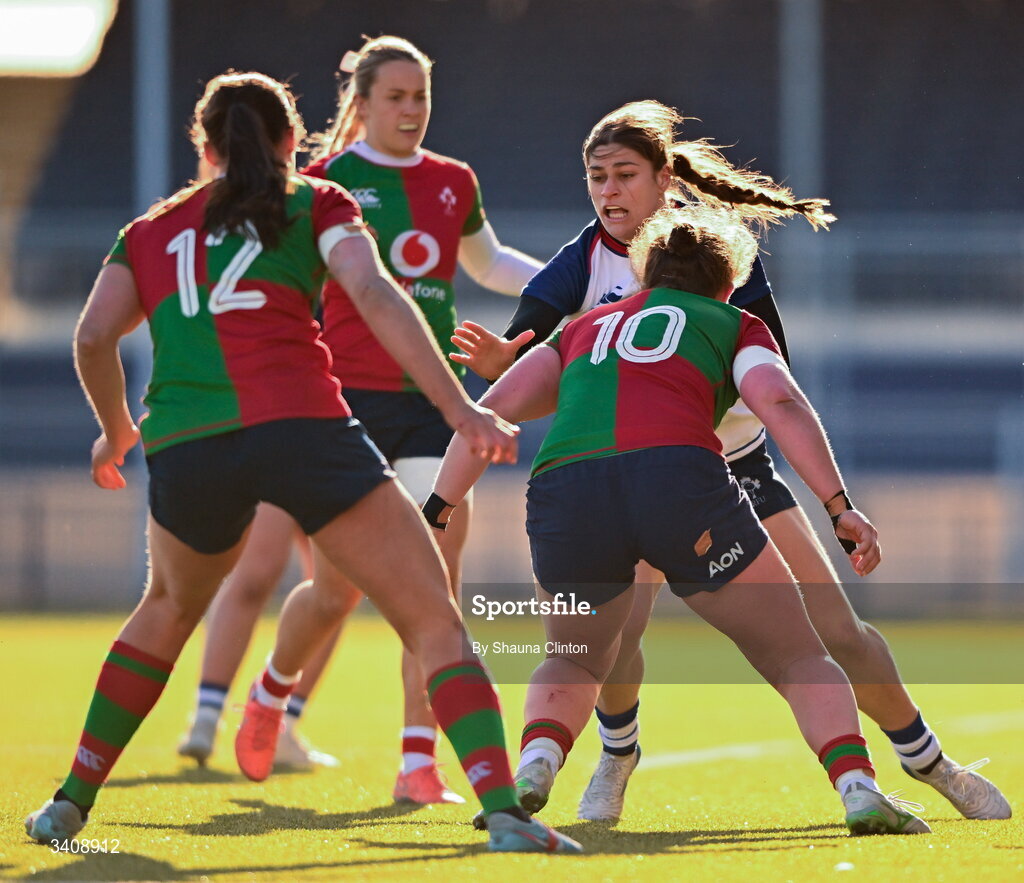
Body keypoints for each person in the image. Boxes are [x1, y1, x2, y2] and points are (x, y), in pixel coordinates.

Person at [24, 71, 580, 855]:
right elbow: (374, 293)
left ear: (204, 145)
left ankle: (70, 801)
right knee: (431, 614)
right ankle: (505, 813)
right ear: (293, 140)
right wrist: (461, 407)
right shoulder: (316, 201)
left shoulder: (149, 231)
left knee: (168, 607)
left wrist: (116, 431)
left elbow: (92, 337)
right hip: (303, 428)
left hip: (188, 441)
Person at [451, 101, 1011, 824]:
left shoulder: (711, 254)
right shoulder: (579, 260)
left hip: (726, 465)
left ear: (664, 180)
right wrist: (507, 357)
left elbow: (769, 372)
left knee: (837, 631)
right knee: (612, 636)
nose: (609, 192)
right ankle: (617, 758)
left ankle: (932, 764)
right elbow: (523, 356)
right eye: (597, 177)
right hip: (646, 468)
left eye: (625, 175)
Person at [180, 35, 545, 804]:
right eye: (396, 97)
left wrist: (574, 288)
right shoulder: (325, 183)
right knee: (336, 590)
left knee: (436, 583)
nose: (411, 110)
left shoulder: (454, 181)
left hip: (433, 402)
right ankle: (271, 690)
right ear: (364, 102)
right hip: (346, 402)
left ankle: (418, 762)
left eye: (421, 96)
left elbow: (487, 262)